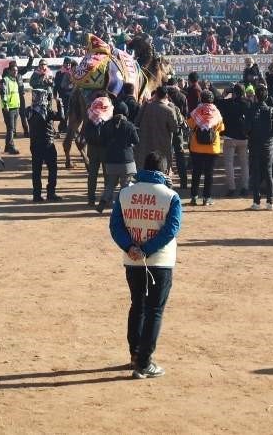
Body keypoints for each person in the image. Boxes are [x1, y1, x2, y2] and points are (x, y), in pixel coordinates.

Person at [108, 151, 182, 379]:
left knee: (137, 306)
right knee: (154, 310)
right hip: (160, 261)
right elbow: (171, 229)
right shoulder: (171, 196)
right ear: (164, 171)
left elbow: (115, 226)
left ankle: (135, 355)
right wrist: (147, 249)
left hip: (132, 260)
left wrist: (130, 247)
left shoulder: (125, 194)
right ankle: (144, 362)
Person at [98, 102, 140, 213]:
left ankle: (104, 200)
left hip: (110, 161)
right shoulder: (130, 125)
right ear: (126, 112)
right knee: (125, 186)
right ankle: (120, 205)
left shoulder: (106, 125)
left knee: (110, 184)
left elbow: (102, 141)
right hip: (126, 161)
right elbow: (136, 141)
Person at [246, 85, 273, 210]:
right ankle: (270, 202)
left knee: (256, 173)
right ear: (266, 97)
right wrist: (270, 136)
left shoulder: (251, 110)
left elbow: (246, 129)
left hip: (254, 145)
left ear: (256, 96)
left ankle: (256, 202)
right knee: (268, 173)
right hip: (268, 145)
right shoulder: (271, 110)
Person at [186, 90, 224, 206]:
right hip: (212, 148)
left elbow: (190, 124)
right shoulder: (216, 112)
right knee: (209, 174)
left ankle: (193, 197)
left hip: (196, 147)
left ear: (201, 99)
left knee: (196, 172)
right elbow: (221, 128)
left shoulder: (197, 111)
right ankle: (206, 198)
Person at [24, 88, 63, 203]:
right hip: (48, 144)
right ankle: (51, 193)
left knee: (36, 171)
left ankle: (37, 195)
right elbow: (62, 117)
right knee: (52, 169)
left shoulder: (28, 110)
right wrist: (60, 105)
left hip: (35, 144)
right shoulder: (47, 111)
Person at [215, 83, 250, 197]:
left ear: (233, 92)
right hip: (244, 137)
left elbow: (217, 101)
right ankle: (245, 187)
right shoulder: (247, 103)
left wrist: (225, 94)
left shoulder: (227, 103)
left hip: (229, 137)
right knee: (244, 164)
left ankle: (232, 188)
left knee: (229, 164)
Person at [0, 61, 24, 154]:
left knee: (11, 128)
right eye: (13, 70)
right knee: (11, 128)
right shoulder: (5, 80)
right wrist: (5, 105)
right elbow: (3, 93)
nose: (15, 72)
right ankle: (11, 146)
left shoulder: (15, 80)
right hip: (8, 108)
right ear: (9, 71)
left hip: (15, 107)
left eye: (16, 70)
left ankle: (7, 146)